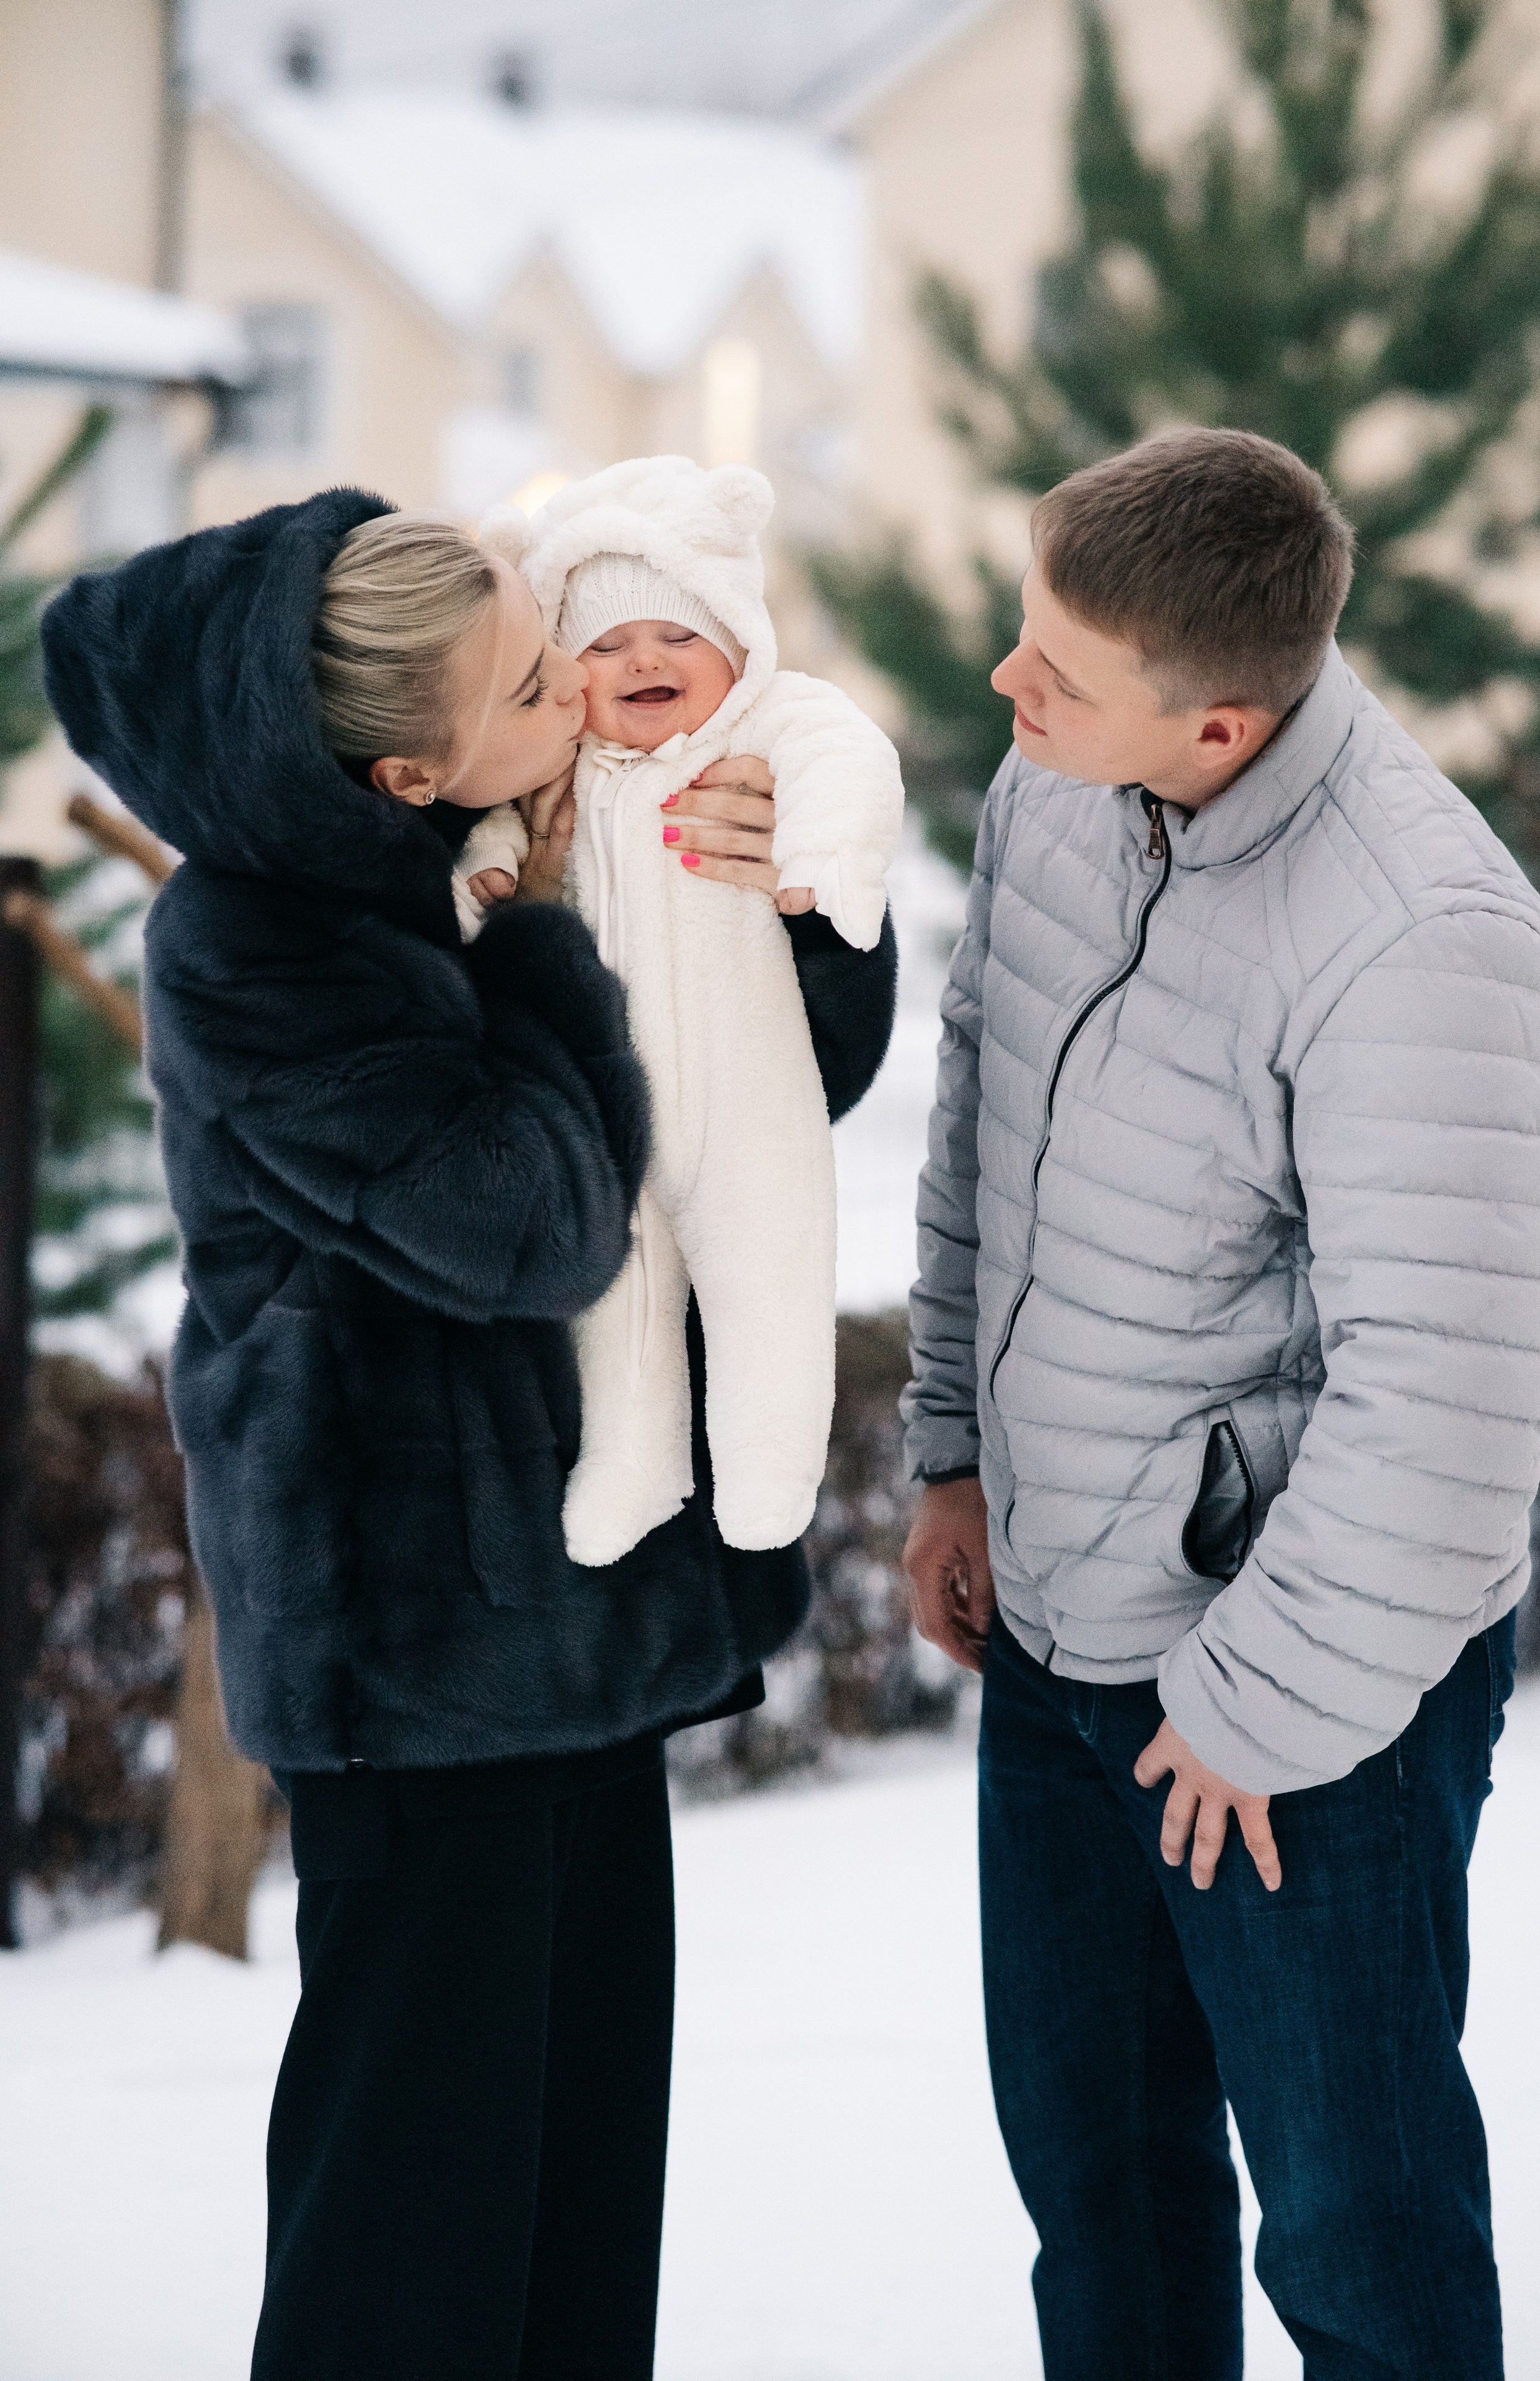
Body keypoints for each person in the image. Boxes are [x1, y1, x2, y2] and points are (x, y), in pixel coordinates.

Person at [40, 489, 896, 2381]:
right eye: (534, 683)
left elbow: (753, 1105)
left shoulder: (488, 828)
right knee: (407, 2242)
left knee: (581, 2211)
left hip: (577, 1619)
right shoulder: (262, 952)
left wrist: (787, 915)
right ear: (410, 762)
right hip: (415, 1655)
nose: (583, 695)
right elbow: (531, 1217)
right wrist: (551, 941)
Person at [901, 427, 1540, 2380]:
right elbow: (983, 1127)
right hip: (1059, 1639)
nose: (1011, 688)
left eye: (1060, 672)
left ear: (1217, 728)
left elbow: (1448, 1415)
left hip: (1305, 1717)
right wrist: (951, 1452)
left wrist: (1252, 1714)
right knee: (1102, 2209)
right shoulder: (1058, 793)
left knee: (1363, 2253)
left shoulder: (1426, 940)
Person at [456, 456, 903, 1566]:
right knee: (619, 1296)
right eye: (604, 645)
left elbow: (851, 767)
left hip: (753, 1099)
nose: (642, 658)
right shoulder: (559, 765)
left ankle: (770, 1463)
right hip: (610, 1117)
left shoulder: (772, 728)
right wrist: (489, 880)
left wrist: (826, 860)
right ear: (568, 671)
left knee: (768, 1279)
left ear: (739, 643)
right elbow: (494, 833)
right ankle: (635, 1460)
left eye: (677, 634)